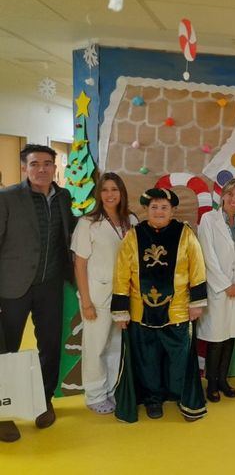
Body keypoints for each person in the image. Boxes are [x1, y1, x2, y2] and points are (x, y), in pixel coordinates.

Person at [0, 144, 77, 443]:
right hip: (12, 286)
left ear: (55, 167)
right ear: (24, 168)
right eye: (35, 164)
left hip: (50, 284)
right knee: (6, 351)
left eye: (48, 163)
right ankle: (4, 411)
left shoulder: (63, 196)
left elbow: (69, 231)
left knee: (50, 345)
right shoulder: (7, 198)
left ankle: (43, 401)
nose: (42, 169)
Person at [111, 188, 207, 421]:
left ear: (173, 210)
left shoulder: (185, 234)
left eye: (164, 207)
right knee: (148, 360)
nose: (159, 211)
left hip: (178, 311)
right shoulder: (134, 235)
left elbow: (197, 269)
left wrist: (197, 303)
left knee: (180, 360)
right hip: (140, 311)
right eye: (154, 207)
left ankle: (183, 397)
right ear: (146, 210)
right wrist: (121, 311)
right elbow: (122, 273)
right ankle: (153, 399)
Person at [71, 173, 138, 414]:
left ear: (122, 192)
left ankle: (111, 390)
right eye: (105, 190)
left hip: (124, 296)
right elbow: (79, 264)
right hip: (97, 296)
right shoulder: (88, 222)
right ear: (99, 194)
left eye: (115, 189)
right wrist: (86, 301)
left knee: (115, 346)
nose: (110, 194)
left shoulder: (130, 220)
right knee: (96, 347)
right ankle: (95, 394)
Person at [198, 178, 235, 402]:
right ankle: (211, 383)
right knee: (216, 338)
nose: (234, 199)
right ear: (223, 195)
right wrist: (224, 285)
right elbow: (207, 257)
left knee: (231, 337)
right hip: (218, 289)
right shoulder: (208, 219)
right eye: (230, 194)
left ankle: (223, 380)